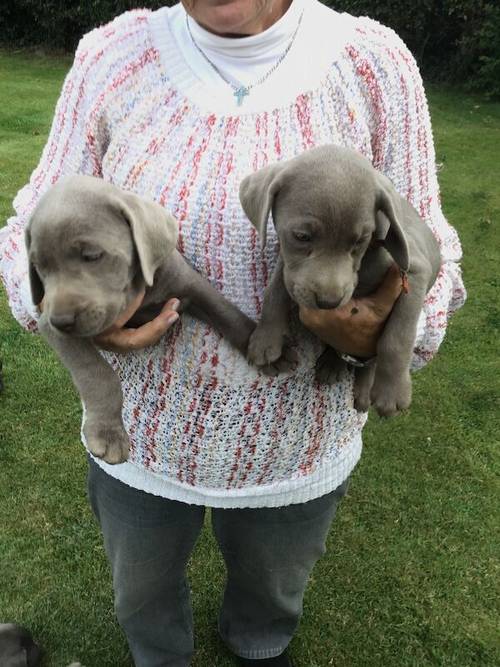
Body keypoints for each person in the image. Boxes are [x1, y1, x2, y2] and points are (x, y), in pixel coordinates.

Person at [0, 1, 466, 665]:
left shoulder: (375, 62)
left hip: (298, 446)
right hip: (143, 440)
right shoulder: (112, 54)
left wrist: (381, 341)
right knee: (141, 594)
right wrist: (57, 308)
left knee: (269, 598)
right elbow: (28, 225)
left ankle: (259, 643)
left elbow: (429, 247)